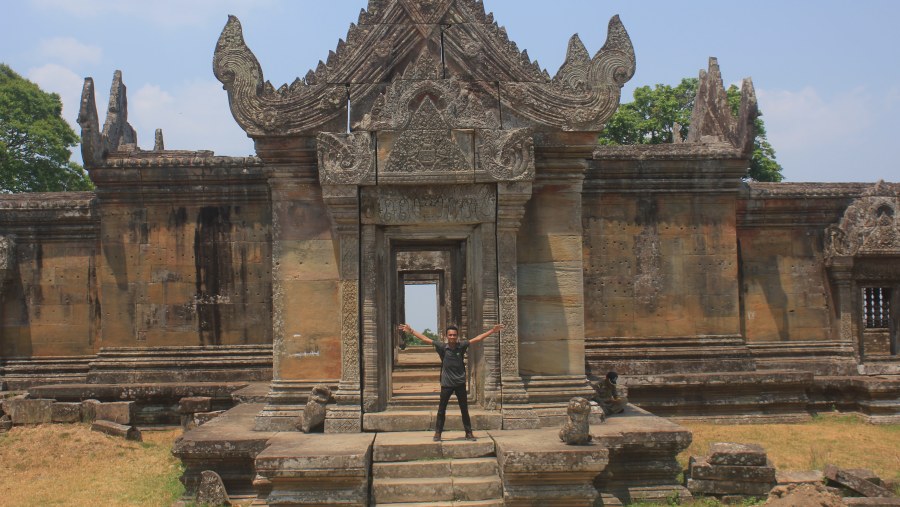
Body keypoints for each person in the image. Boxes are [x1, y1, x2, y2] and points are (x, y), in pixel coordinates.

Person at [398, 322, 504, 441]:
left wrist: (492, 331)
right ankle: (438, 433)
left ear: (457, 336)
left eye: (454, 335)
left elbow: (477, 338)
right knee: (441, 409)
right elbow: (426, 339)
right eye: (450, 335)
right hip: (447, 383)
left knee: (464, 409)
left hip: (460, 383)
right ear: (446, 336)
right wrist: (411, 331)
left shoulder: (462, 346)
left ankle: (468, 433)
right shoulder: (442, 347)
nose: (452, 337)